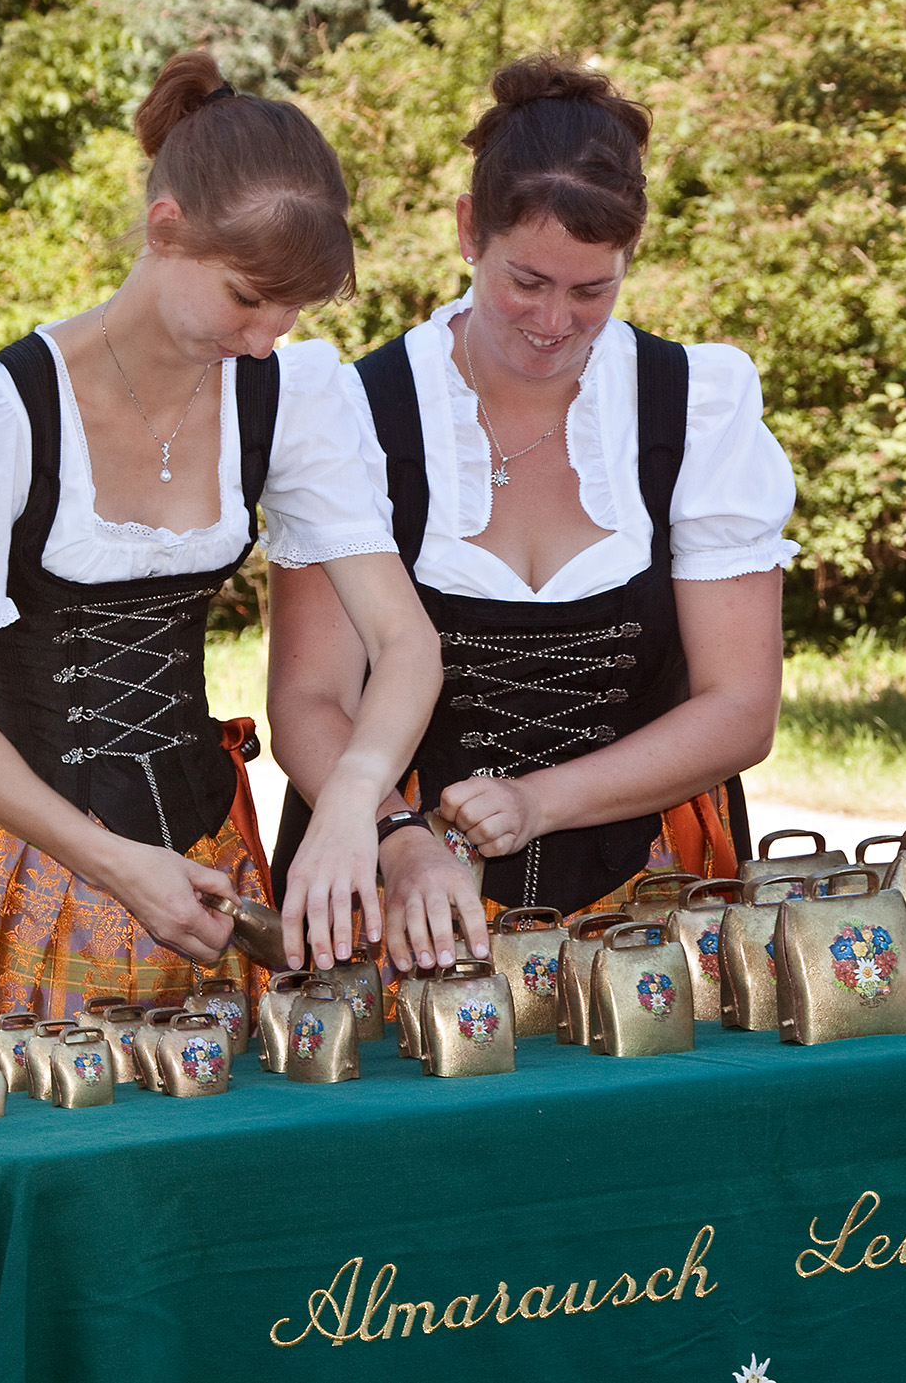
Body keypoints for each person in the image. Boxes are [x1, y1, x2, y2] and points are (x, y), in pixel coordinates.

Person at [0, 52, 436, 1053]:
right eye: (247, 298)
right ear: (165, 230)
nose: (266, 337)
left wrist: (351, 805)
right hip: (22, 862)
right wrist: (116, 865)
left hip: (213, 861)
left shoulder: (291, 397)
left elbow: (405, 642)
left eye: (292, 312)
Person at [267, 56, 793, 978]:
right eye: (529, 280)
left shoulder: (694, 405)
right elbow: (310, 698)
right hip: (404, 888)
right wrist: (396, 834)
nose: (555, 320)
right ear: (470, 230)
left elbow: (740, 707)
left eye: (592, 290)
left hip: (653, 900)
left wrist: (540, 800)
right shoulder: (357, 413)